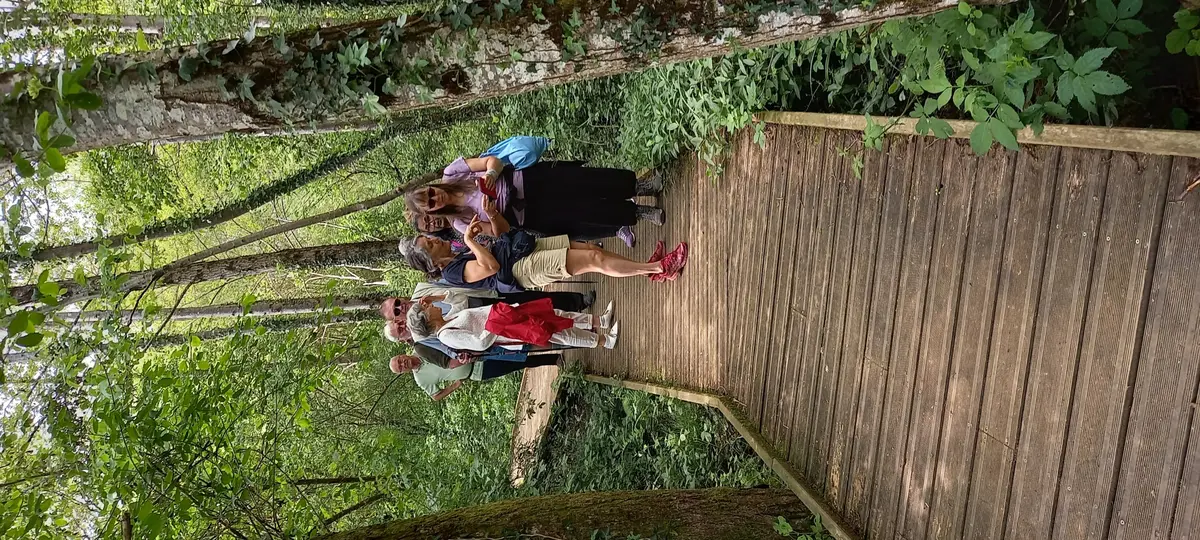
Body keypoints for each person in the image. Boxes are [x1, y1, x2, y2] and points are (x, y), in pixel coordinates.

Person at [404, 139, 665, 247]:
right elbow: (501, 232)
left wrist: (491, 176)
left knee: (587, 181)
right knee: (585, 210)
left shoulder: (454, 173)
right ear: (432, 211)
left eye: (430, 193)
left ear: (431, 186)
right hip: (527, 213)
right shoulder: (461, 224)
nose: (435, 198)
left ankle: (640, 187)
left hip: (528, 180)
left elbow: (492, 161)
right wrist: (493, 215)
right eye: (430, 204)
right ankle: (638, 213)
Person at [398, 216, 688, 291]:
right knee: (593, 261)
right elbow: (488, 267)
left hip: (523, 250)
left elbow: (498, 240)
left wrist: (489, 219)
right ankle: (660, 269)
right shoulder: (451, 271)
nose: (435, 240)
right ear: (431, 261)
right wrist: (471, 243)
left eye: (430, 239)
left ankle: (647, 267)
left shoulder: (457, 251)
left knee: (591, 248)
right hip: (523, 270)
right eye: (431, 245)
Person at [405, 300, 619, 353]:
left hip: (511, 315)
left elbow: (458, 298)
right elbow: (479, 344)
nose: (431, 305)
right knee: (558, 332)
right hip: (510, 329)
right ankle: (603, 341)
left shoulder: (449, 318)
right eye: (426, 308)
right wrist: (495, 324)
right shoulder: (446, 336)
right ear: (428, 320)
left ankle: (600, 321)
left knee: (556, 315)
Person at [389, 351, 561, 401]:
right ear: (403, 372)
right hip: (477, 372)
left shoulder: (421, 348)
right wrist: (455, 386)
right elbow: (435, 396)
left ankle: (552, 346)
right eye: (400, 368)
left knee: (514, 350)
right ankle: (555, 359)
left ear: (402, 355)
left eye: (400, 361)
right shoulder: (421, 379)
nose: (403, 364)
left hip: (476, 352)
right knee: (517, 364)